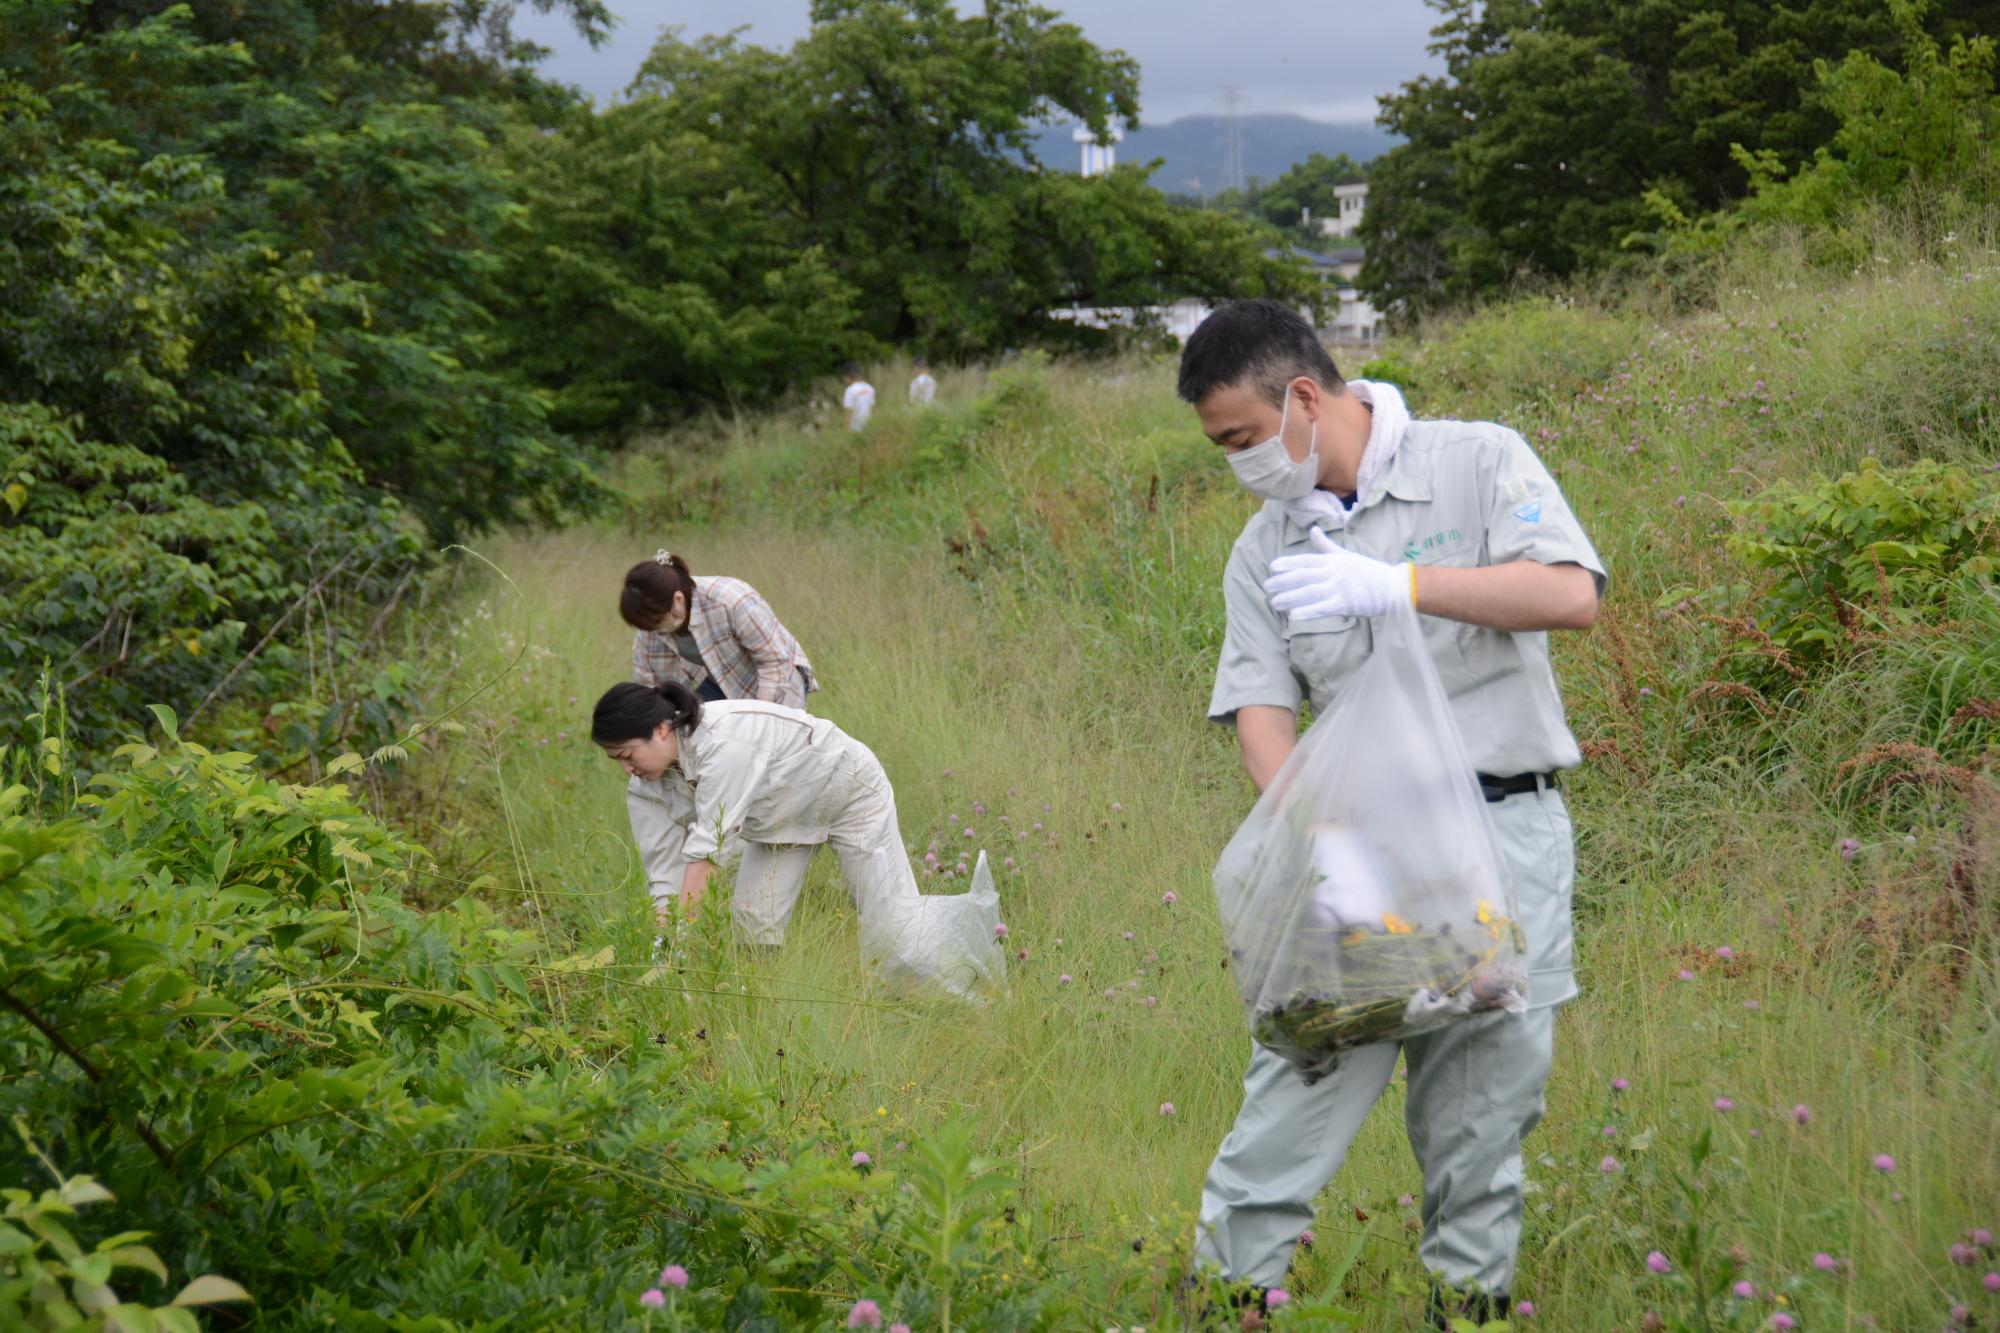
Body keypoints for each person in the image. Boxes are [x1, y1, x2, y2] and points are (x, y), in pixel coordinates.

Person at [1179, 300, 1603, 1326]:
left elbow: (1567, 595)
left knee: (1479, 1114)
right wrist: (1319, 843)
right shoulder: (1263, 546)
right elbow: (1259, 706)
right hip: (1359, 852)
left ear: (1303, 398)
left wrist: (1399, 584)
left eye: (1241, 437)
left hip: (1499, 833)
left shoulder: (1475, 462)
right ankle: (1226, 1299)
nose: (1238, 461)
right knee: (1299, 1076)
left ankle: (1468, 1309)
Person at [593, 682, 920, 945]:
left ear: (662, 729)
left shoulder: (723, 744)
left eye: (628, 754)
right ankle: (763, 1001)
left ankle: (930, 995)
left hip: (848, 791)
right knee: (753, 920)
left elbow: (709, 850)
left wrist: (680, 936)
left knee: (887, 912)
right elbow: (663, 867)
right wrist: (663, 934)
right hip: (781, 819)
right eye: (616, 760)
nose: (626, 769)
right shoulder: (644, 786)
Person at [620, 551, 818, 911]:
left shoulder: (730, 599)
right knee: (711, 772)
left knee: (763, 774)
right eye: (646, 626)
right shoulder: (650, 632)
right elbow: (650, 695)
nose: (653, 631)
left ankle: (776, 861)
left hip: (772, 682)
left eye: (658, 620)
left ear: (678, 599)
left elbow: (775, 662)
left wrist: (761, 727)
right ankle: (721, 856)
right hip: (713, 690)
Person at [841, 361, 876, 430]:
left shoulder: (850, 391)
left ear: (847, 376)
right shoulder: (869, 388)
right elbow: (872, 408)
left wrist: (845, 431)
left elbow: (849, 412)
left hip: (855, 429)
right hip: (869, 427)